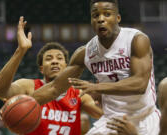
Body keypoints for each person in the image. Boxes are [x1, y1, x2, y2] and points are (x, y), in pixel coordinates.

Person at [24, 0, 159, 134]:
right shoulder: (86, 52)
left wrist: (96, 87)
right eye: (95, 15)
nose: (101, 19)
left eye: (107, 14)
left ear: (118, 18)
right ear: (91, 21)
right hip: (111, 120)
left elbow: (139, 84)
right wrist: (21, 104)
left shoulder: (136, 39)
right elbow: (54, 88)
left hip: (144, 118)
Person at [0, 17, 103, 135]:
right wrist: (20, 50)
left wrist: (102, 95)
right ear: (41, 68)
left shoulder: (78, 94)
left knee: (84, 121)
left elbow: (103, 115)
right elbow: (0, 91)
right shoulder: (29, 86)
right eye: (49, 59)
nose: (55, 61)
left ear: (67, 67)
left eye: (59, 58)